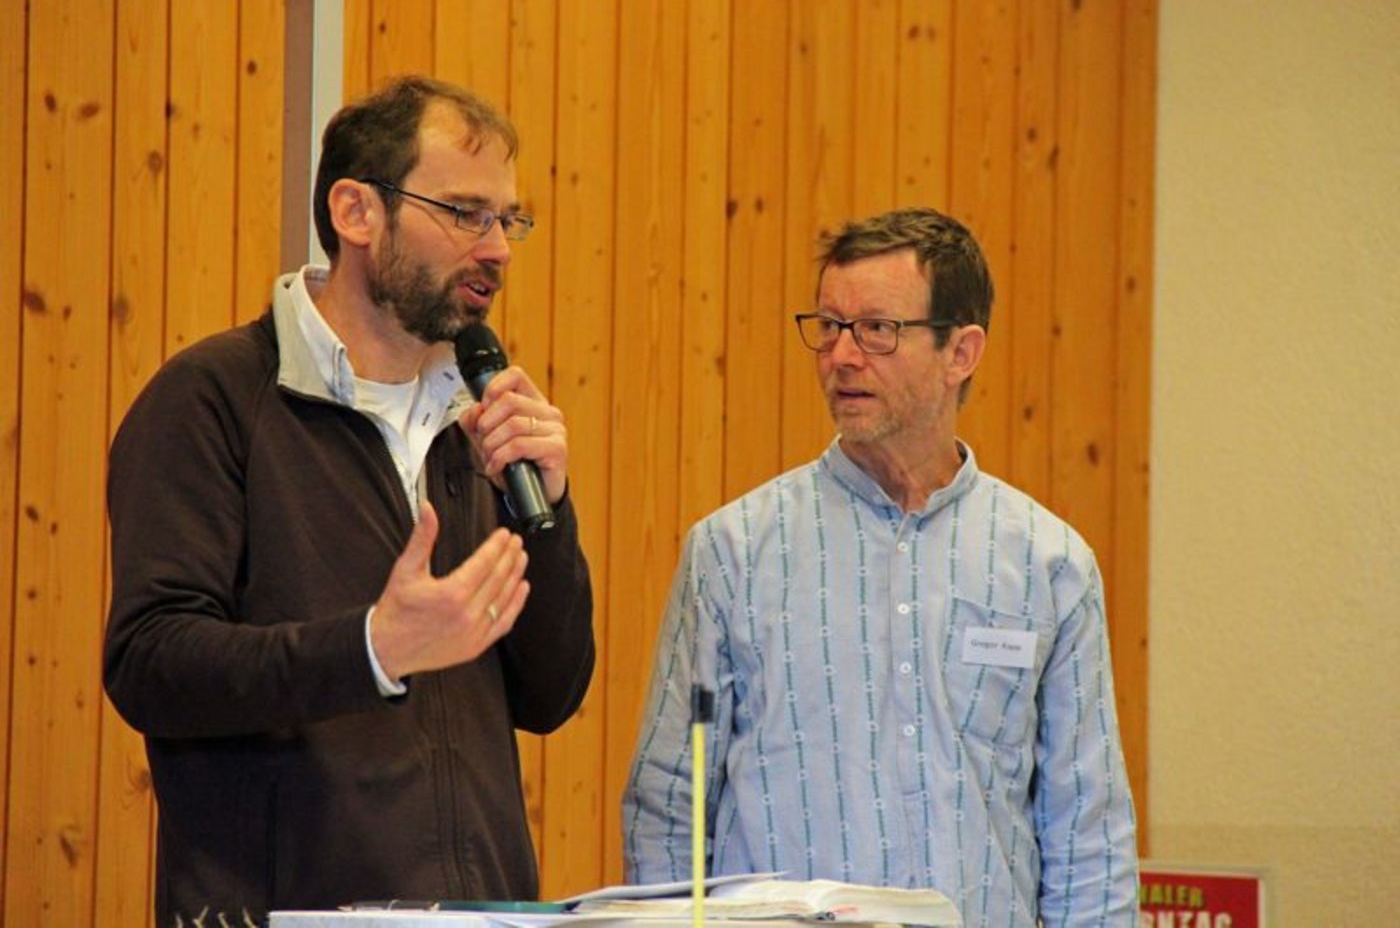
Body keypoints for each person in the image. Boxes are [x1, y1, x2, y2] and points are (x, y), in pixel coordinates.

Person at [103, 76, 595, 925]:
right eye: (464, 212)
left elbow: (550, 696)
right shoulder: (214, 400)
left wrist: (545, 511)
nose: (498, 249)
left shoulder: (477, 423)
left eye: (507, 219)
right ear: (356, 212)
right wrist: (369, 648)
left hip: (482, 911)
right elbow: (151, 663)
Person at [623, 209, 1138, 925]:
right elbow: (670, 806)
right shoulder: (733, 551)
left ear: (961, 351)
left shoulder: (1051, 566)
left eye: (877, 329)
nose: (842, 354)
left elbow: (1088, 832)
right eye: (829, 326)